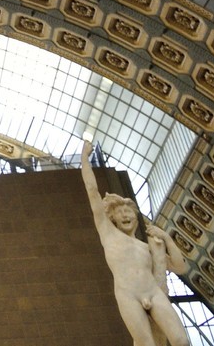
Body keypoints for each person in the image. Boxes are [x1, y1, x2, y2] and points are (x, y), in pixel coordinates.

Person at [80, 140, 192, 346]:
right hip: (128, 295)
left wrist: (166, 238)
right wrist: (84, 158)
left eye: (128, 212)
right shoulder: (108, 234)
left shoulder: (148, 247)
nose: (125, 216)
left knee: (181, 341)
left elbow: (181, 266)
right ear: (112, 218)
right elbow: (91, 190)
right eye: (120, 212)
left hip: (152, 291)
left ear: (135, 215)